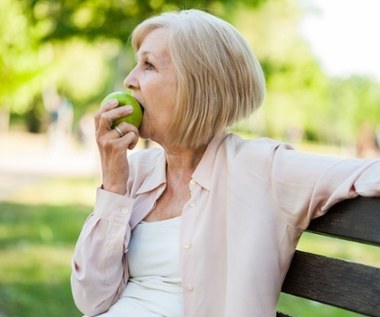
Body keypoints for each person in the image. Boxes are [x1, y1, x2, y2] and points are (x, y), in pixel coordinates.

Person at [70, 9, 380, 317]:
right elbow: (92, 299)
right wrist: (113, 185)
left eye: (148, 65)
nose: (129, 80)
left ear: (197, 85)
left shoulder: (261, 169)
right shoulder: (135, 173)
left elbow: (365, 174)